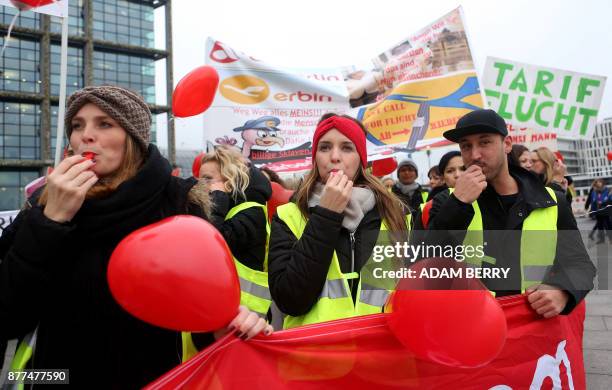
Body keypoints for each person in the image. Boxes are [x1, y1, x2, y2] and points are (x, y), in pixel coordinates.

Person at [0, 86, 272, 387]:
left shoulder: (178, 202)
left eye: (104, 124)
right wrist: (50, 220)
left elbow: (197, 313)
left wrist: (227, 327)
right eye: (77, 126)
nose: (85, 136)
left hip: (153, 379)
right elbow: (9, 315)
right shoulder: (44, 201)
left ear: (133, 138)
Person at [426, 109, 595, 318]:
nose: (474, 155)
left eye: (484, 142)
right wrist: (458, 204)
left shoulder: (550, 200)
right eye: (466, 146)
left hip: (531, 330)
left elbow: (580, 265)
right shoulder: (446, 200)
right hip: (470, 330)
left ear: (507, 144)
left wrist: (562, 290)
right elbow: (424, 267)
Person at [268, 113, 410, 329]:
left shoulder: (396, 215)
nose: (334, 157)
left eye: (346, 147)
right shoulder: (288, 215)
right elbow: (290, 301)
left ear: (361, 159)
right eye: (324, 147)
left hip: (380, 354)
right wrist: (326, 214)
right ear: (315, 157)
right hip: (316, 355)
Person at [198, 145, 272, 311]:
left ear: (230, 180)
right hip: (220, 309)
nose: (201, 186)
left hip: (245, 317)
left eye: (208, 179)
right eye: (199, 180)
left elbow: (212, 244)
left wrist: (217, 199)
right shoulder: (224, 210)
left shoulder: (252, 212)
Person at [585, 179, 610, 243]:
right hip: (597, 211)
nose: (598, 184)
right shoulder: (594, 191)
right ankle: (602, 239)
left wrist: (603, 203)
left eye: (599, 182)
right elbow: (592, 201)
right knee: (600, 226)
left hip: (606, 210)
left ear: (602, 183)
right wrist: (592, 211)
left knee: (608, 226)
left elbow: (609, 200)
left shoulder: (607, 190)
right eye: (597, 182)